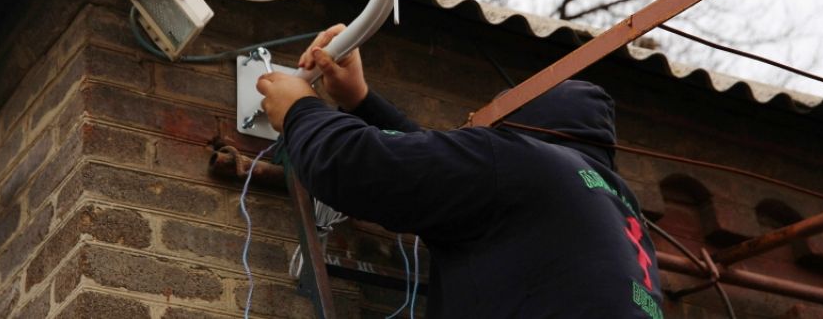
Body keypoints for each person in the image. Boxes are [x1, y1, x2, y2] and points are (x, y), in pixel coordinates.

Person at [257, 24, 665, 318]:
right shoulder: (616, 207)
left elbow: (356, 165)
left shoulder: (524, 162)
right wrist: (360, 101)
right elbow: (454, 185)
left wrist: (298, 111)